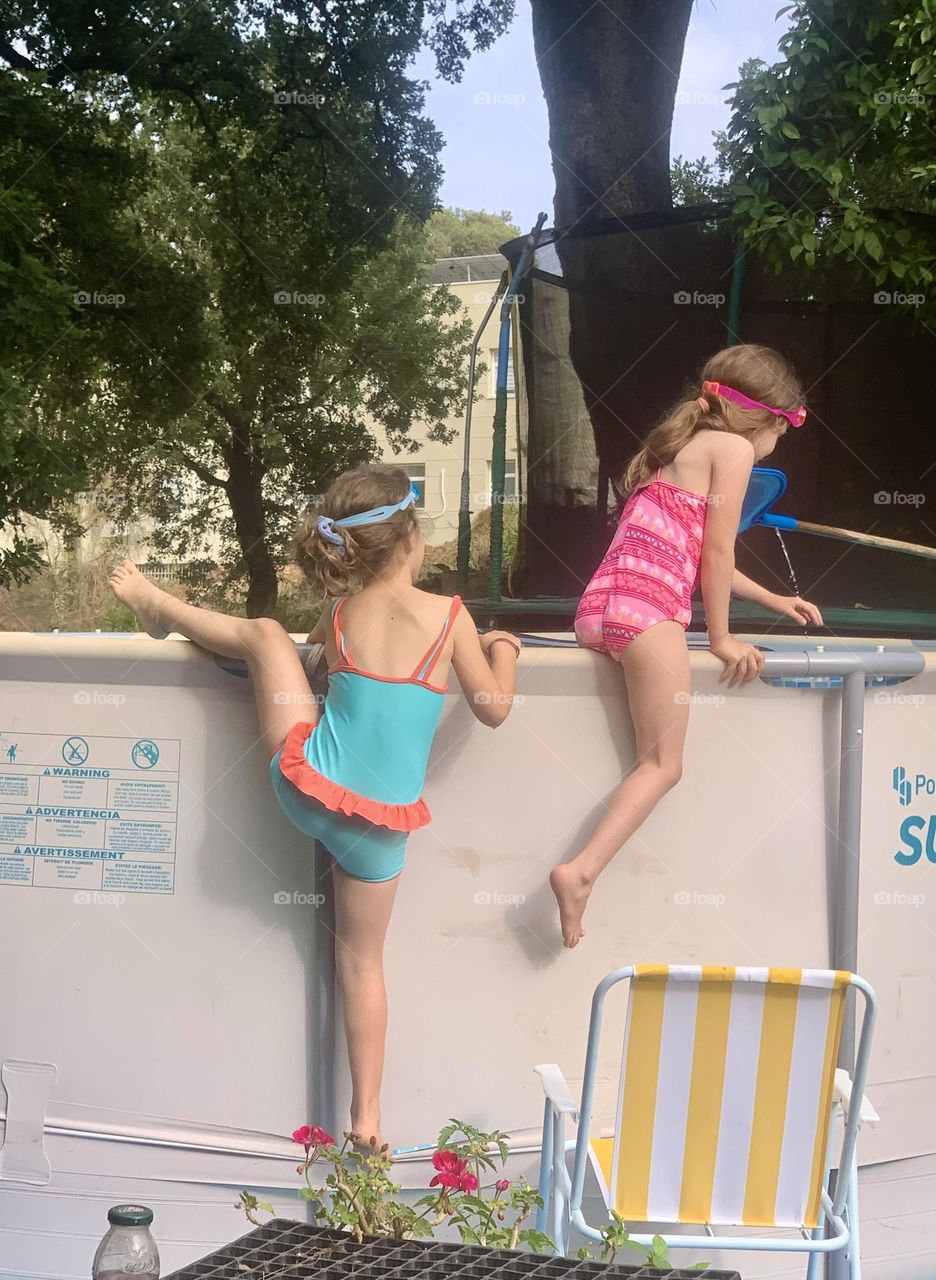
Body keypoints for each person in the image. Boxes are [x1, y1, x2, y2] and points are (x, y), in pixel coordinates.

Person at [110, 463, 520, 1144]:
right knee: (361, 963)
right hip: (378, 831)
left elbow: (320, 671)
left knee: (265, 637)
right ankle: (367, 1116)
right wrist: (504, 650)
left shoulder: (339, 615)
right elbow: (495, 710)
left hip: (307, 787)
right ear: (413, 537)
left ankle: (163, 609)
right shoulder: (451, 617)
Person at [551, 343, 823, 948]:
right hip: (648, 613)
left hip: (601, 609)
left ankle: (582, 871)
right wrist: (722, 638)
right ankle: (581, 872)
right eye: (787, 425)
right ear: (771, 418)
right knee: (662, 764)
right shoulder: (734, 449)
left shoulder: (670, 452)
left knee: (648, 754)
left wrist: (777, 601)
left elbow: (694, 552)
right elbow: (718, 552)